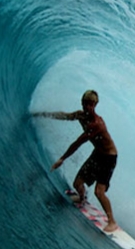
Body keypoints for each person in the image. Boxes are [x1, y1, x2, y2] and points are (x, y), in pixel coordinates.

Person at [32, 90, 120, 232]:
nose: (86, 107)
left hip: (109, 158)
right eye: (84, 104)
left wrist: (62, 158)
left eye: (89, 105)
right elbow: (66, 116)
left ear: (95, 105)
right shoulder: (81, 115)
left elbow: (78, 143)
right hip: (97, 154)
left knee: (99, 192)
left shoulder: (97, 124)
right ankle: (82, 198)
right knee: (77, 183)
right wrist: (46, 114)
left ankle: (112, 222)